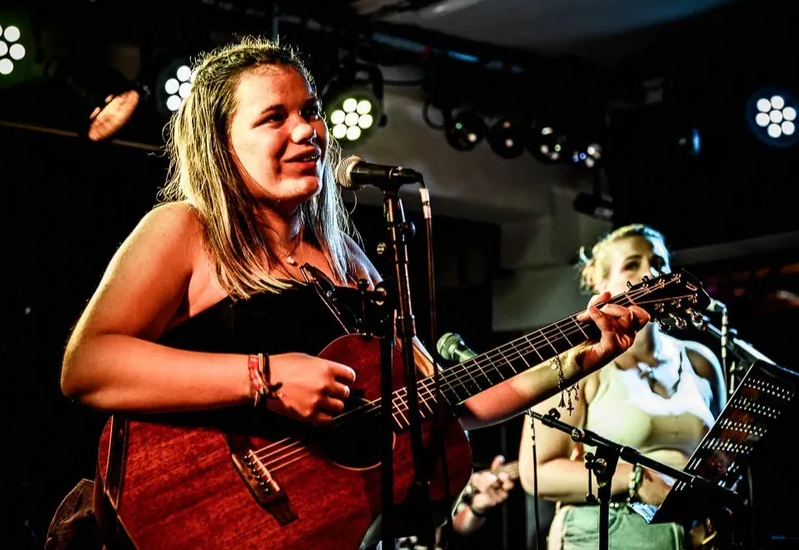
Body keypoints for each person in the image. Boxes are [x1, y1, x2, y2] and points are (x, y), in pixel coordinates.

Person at [57, 35, 649, 548]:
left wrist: (578, 357)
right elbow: (87, 366)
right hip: (199, 512)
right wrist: (264, 377)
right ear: (221, 142)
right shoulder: (186, 230)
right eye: (273, 117)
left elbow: (448, 403)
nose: (306, 130)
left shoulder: (351, 261)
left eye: (310, 111)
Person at [518, 224, 727, 550]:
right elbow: (537, 472)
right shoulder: (577, 363)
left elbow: (720, 453)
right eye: (632, 264)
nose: (650, 272)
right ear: (601, 285)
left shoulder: (701, 361)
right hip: (608, 530)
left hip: (691, 535)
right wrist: (635, 479)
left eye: (658, 262)